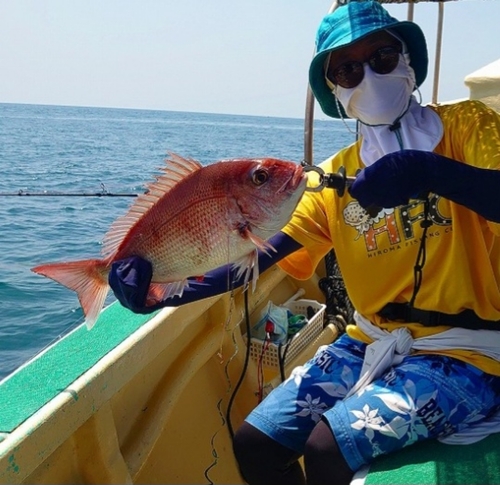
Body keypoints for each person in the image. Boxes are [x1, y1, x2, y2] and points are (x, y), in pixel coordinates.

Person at [109, 1, 500, 484]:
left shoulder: (469, 126)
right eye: (348, 70)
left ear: (407, 62)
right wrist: (163, 292)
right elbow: (265, 252)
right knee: (254, 443)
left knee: (326, 449)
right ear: (334, 92)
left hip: (469, 350)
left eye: (381, 58)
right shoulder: (335, 173)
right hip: (369, 341)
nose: (368, 78)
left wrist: (431, 170)